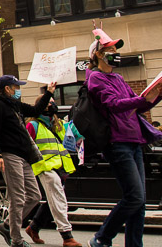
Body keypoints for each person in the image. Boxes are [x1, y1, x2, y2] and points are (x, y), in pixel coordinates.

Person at [86, 28, 161, 247]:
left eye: (116, 50)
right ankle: (102, 237)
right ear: (99, 54)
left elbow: (138, 105)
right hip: (117, 144)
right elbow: (113, 105)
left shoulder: (117, 78)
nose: (115, 53)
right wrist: (141, 100)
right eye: (110, 50)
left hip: (134, 142)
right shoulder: (96, 79)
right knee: (135, 197)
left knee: (140, 202)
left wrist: (155, 95)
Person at [0, 74, 53, 247]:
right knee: (18, 198)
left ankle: (7, 225)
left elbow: (35, 111)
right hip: (10, 155)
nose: (19, 90)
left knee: (34, 195)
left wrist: (49, 92)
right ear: (7, 89)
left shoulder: (14, 104)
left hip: (24, 156)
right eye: (16, 87)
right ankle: (16, 240)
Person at [24, 96, 82, 247]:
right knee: (58, 199)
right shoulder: (33, 125)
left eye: (53, 102)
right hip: (45, 167)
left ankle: (34, 227)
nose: (53, 105)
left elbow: (78, 136)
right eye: (50, 103)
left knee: (53, 200)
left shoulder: (60, 124)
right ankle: (67, 236)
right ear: (41, 106)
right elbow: (25, 147)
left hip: (61, 168)